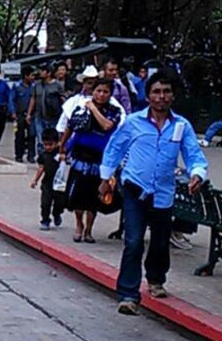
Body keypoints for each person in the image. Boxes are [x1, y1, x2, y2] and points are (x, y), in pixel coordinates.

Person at [101, 72, 208, 315]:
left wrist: (197, 174)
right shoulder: (133, 122)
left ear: (173, 95)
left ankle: (156, 278)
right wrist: (105, 178)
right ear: (148, 96)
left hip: (163, 193)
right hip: (135, 190)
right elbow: (114, 148)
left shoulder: (182, 125)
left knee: (160, 242)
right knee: (134, 241)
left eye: (166, 91)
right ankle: (128, 294)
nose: (161, 97)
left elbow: (193, 155)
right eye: (156, 92)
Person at [59, 79, 122, 244]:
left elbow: (107, 126)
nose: (101, 95)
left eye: (105, 92)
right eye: (98, 91)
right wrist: (63, 146)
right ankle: (79, 225)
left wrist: (93, 108)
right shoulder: (80, 109)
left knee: (94, 197)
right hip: (80, 155)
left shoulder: (114, 112)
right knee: (77, 195)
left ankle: (89, 230)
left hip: (100, 158)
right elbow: (70, 127)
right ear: (92, 91)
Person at [27, 63, 64, 161]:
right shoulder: (37, 85)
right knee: (40, 138)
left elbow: (63, 100)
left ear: (49, 73)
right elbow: (33, 99)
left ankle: (53, 157)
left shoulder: (57, 86)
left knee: (53, 138)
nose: (40, 73)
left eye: (43, 71)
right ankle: (42, 158)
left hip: (54, 117)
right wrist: (29, 114)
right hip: (39, 116)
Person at [31, 127, 65, 231]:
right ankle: (45, 220)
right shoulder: (43, 155)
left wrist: (64, 157)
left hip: (59, 183)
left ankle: (57, 213)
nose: (48, 147)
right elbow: (41, 168)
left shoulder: (60, 153)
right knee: (45, 203)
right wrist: (35, 180)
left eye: (50, 144)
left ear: (57, 142)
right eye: (45, 145)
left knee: (60, 202)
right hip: (47, 183)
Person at [11, 67, 37, 163]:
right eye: (31, 75)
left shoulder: (34, 86)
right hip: (20, 115)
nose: (33, 77)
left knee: (32, 135)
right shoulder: (17, 86)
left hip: (32, 115)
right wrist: (13, 112)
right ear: (26, 76)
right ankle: (19, 155)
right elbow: (12, 99)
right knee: (19, 135)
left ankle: (31, 155)